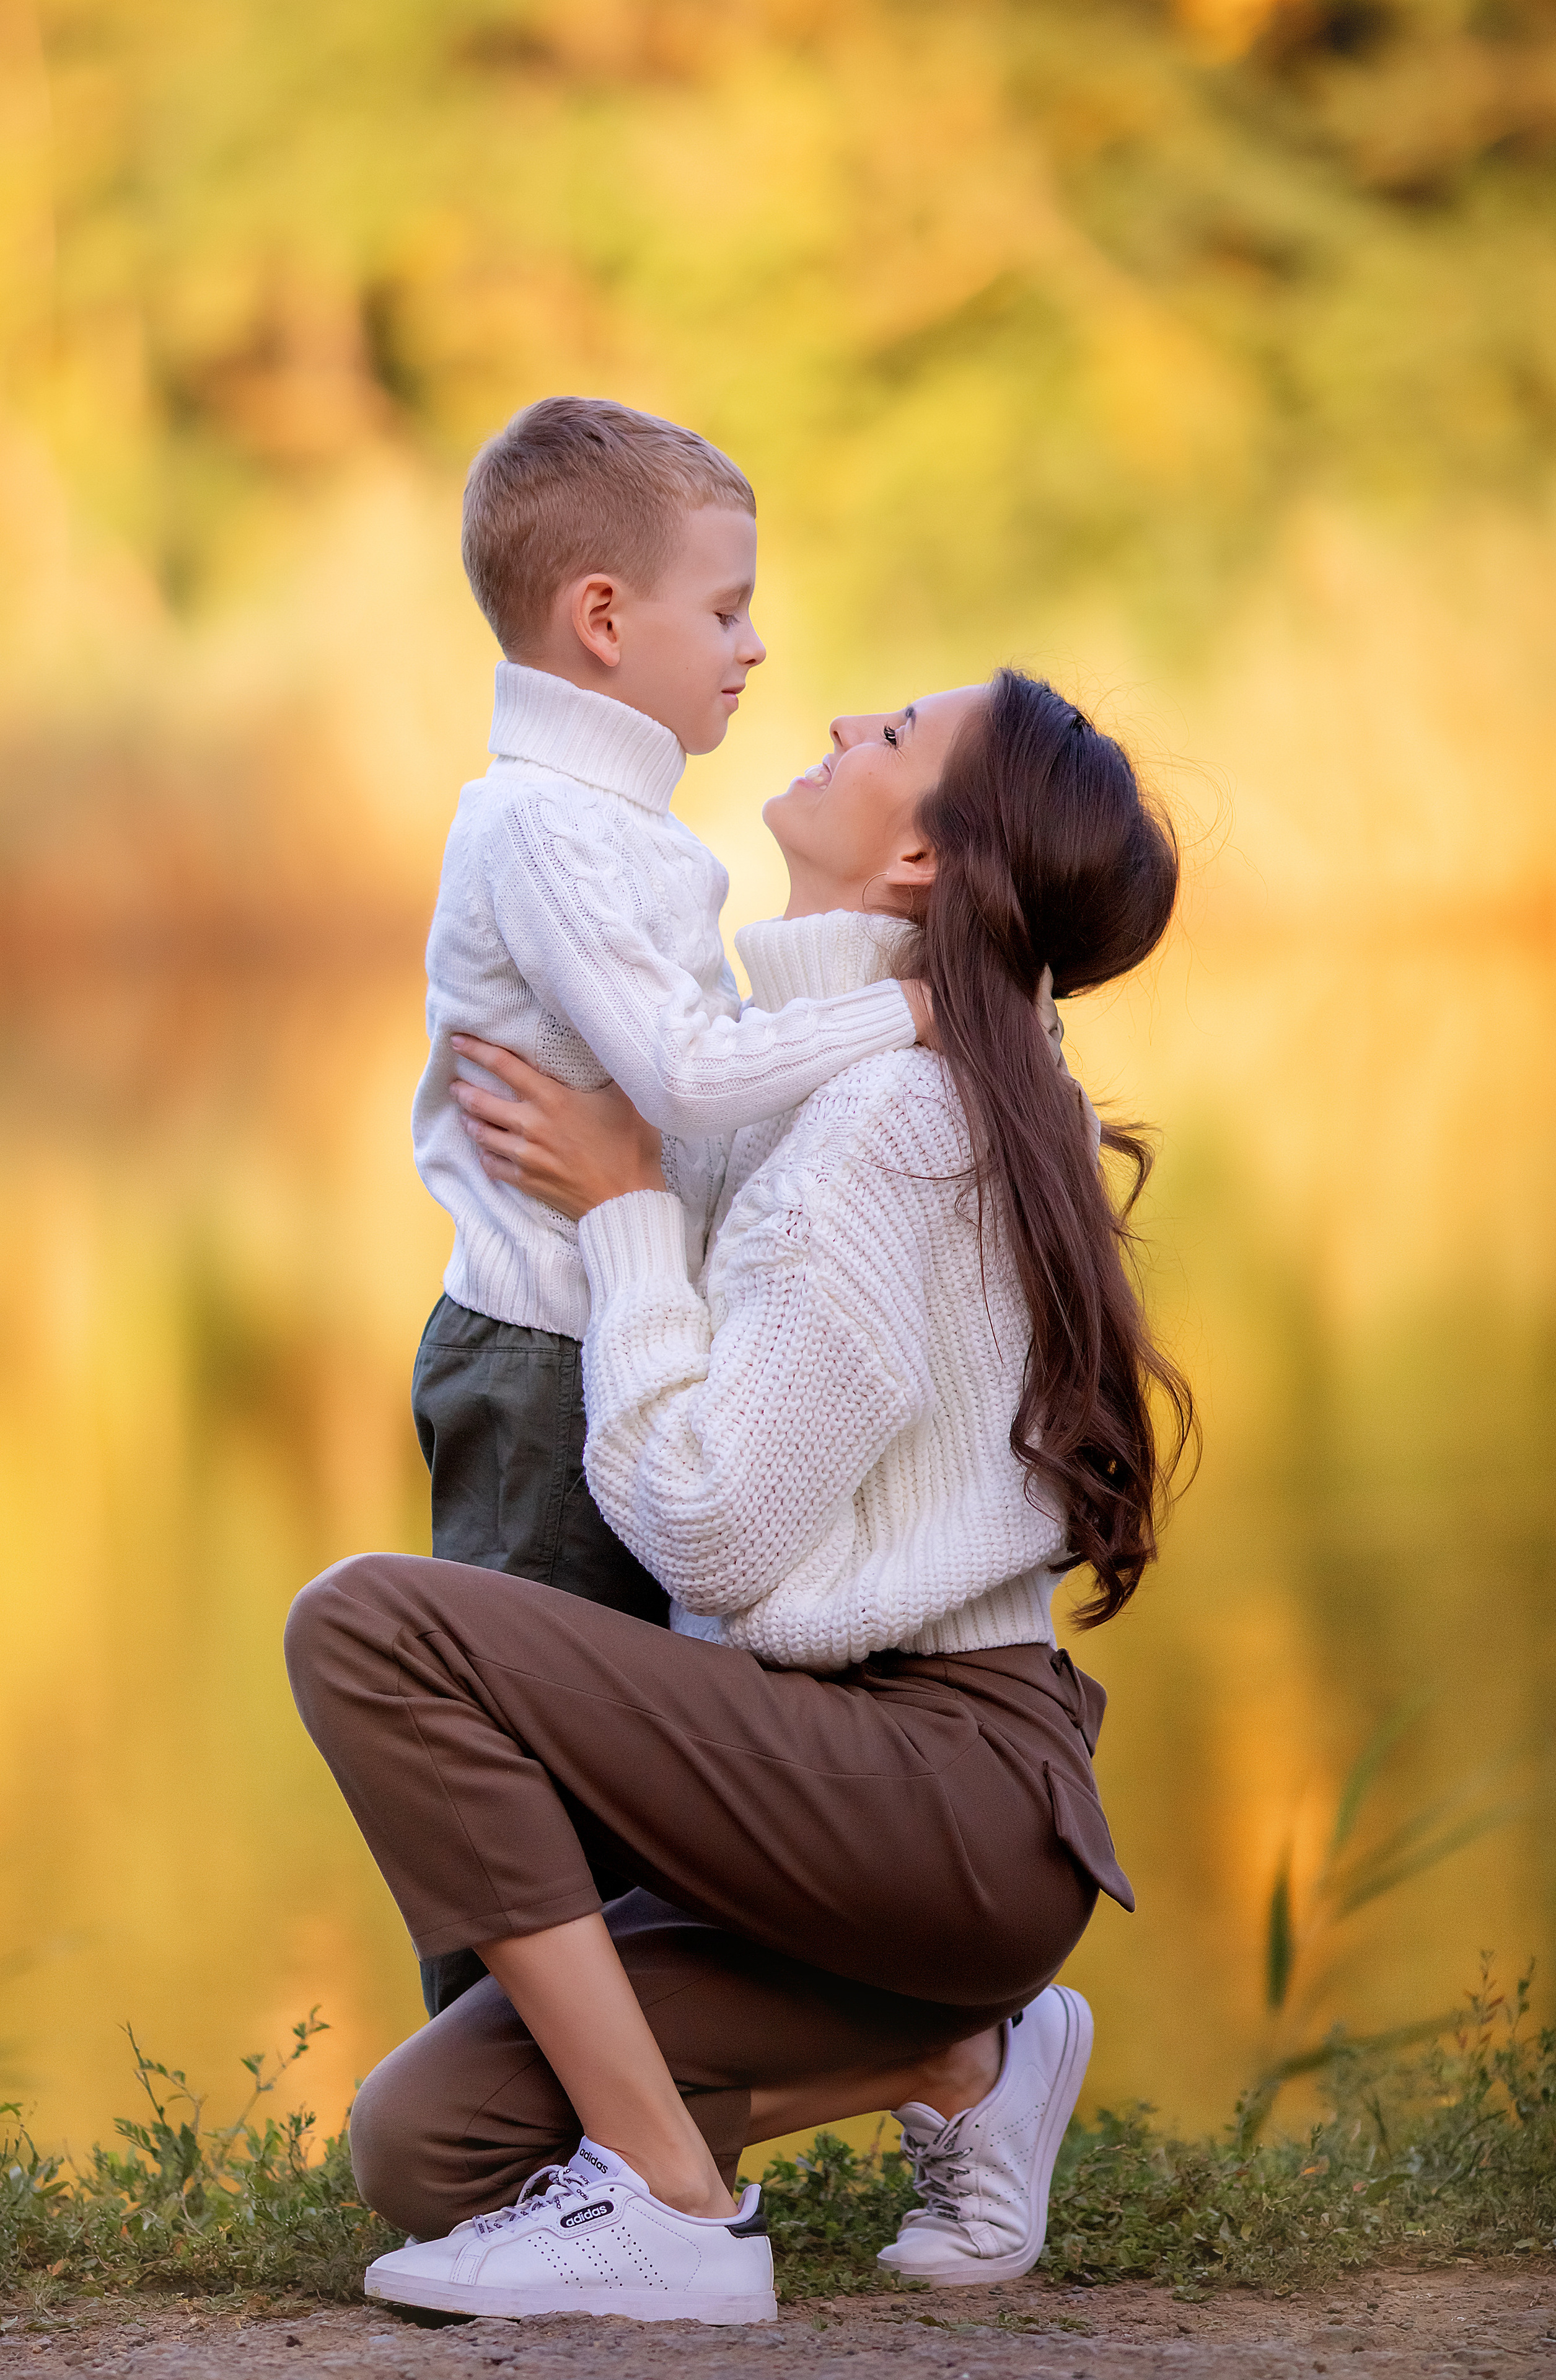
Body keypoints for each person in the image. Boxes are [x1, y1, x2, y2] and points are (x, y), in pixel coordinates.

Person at [285, 670, 1192, 2324]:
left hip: (934, 1789)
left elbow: (720, 1538)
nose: (846, 721)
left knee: (371, 1632)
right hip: (865, 1809)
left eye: (896, 737)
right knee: (432, 2147)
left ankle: (671, 2207)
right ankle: (954, 2051)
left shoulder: (884, 1125)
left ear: (921, 864)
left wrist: (630, 1208)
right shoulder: (873, 1080)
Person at [410, 395, 932, 2010]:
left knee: (634, 1770)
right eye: (727, 606)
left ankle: (630, 2134)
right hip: (542, 1364)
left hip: (613, 1352)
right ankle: (498, 2136)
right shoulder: (545, 827)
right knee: (515, 1776)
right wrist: (915, 1013)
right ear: (603, 619)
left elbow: (683, 1117)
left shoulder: (617, 825)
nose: (759, 647)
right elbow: (691, 1074)